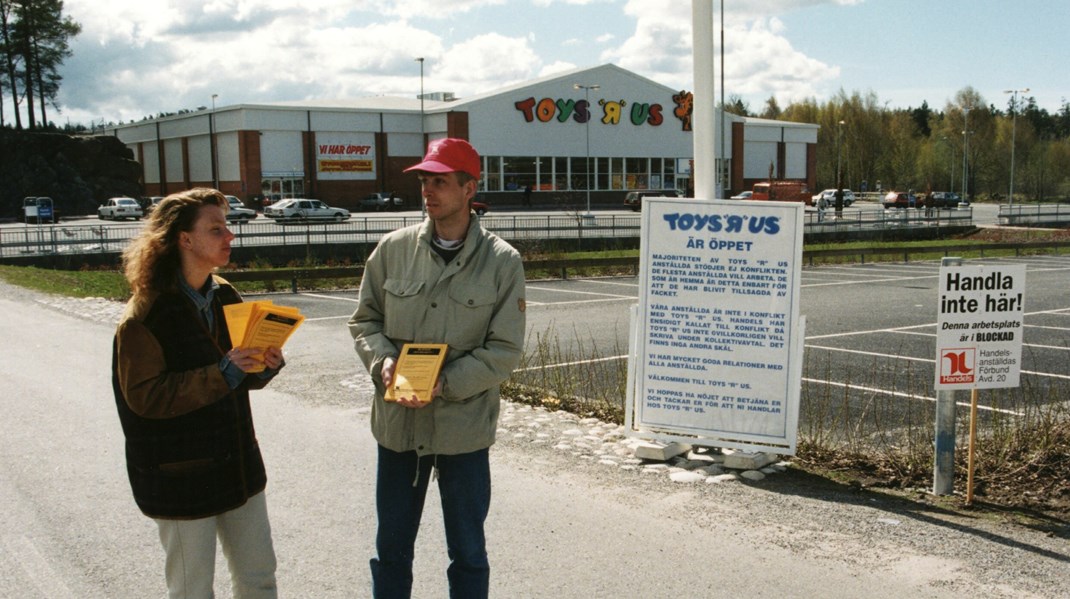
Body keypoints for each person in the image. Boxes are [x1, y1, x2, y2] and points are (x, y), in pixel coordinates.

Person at [348, 138, 526, 599]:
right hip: (398, 425)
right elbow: (365, 321)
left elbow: (504, 350)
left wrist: (446, 382)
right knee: (391, 549)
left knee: (467, 551)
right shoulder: (391, 250)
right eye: (425, 180)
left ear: (470, 187)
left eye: (440, 181)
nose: (428, 190)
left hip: (462, 428)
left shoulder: (502, 262)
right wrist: (383, 363)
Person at [111, 187, 286, 599]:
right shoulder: (145, 314)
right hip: (179, 477)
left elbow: (242, 375)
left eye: (227, 227)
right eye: (216, 229)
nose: (230, 237)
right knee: (192, 590)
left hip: (238, 466)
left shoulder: (225, 293)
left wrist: (264, 365)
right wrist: (222, 373)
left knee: (259, 579)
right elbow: (146, 397)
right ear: (184, 239)